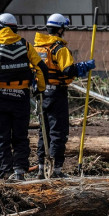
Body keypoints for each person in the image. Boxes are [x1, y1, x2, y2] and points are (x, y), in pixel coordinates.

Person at [34, 13, 96, 179]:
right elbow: (68, 70)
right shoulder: (59, 49)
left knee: (43, 131)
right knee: (58, 131)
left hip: (41, 93)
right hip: (56, 93)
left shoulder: (38, 47)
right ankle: (56, 170)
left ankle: (41, 168)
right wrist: (83, 67)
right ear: (61, 28)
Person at [0, 13, 48, 181]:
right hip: (21, 96)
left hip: (1, 97)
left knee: (2, 137)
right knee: (20, 135)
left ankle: (5, 172)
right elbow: (41, 68)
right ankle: (19, 170)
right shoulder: (25, 45)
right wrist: (40, 88)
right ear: (14, 28)